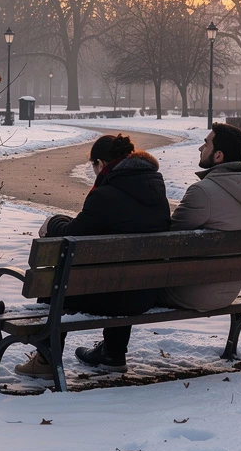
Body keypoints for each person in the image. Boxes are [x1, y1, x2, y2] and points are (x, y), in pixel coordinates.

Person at [15, 134, 171, 379]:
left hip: (115, 296)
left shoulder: (105, 196)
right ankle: (113, 353)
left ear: (100, 163)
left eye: (93, 167)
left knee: (56, 282)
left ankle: (46, 360)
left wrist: (53, 222)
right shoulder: (156, 190)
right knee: (123, 272)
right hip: (144, 294)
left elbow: (72, 236)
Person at [161, 122, 241, 312]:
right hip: (230, 292)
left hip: (191, 293)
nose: (201, 148)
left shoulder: (202, 192)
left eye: (206, 144)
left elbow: (169, 237)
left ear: (218, 156)